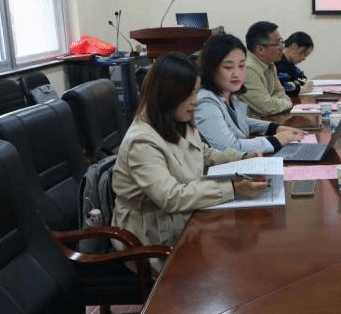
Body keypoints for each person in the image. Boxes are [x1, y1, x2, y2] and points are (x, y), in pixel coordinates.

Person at [112, 53, 268, 276]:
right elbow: (171, 197)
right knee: (233, 264)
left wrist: (243, 158)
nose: (196, 100)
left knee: (248, 245)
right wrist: (233, 188)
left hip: (184, 218)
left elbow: (203, 154)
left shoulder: (178, 120)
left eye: (196, 91)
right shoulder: (142, 142)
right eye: (190, 93)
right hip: (152, 236)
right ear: (168, 94)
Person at [195, 33, 306, 154]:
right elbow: (229, 147)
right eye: (228, 67)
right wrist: (276, 140)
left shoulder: (229, 95)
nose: (237, 74)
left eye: (241, 65)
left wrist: (275, 128)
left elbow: (240, 122)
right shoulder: (205, 103)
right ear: (210, 68)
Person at [242, 20, 292, 118]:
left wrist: (274, 100)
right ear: (260, 49)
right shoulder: (248, 68)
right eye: (278, 43)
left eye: (281, 42)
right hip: (250, 126)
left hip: (267, 119)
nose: (282, 47)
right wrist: (287, 103)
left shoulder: (269, 63)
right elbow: (267, 107)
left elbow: (279, 91)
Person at [277, 31, 314, 97]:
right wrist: (301, 89)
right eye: (304, 53)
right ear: (294, 46)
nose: (304, 58)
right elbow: (280, 87)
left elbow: (302, 78)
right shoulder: (277, 62)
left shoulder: (290, 65)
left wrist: (295, 84)